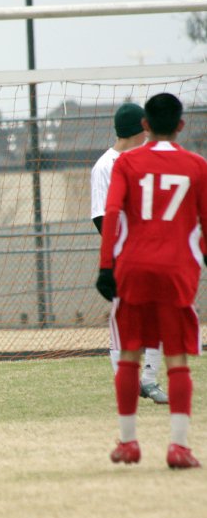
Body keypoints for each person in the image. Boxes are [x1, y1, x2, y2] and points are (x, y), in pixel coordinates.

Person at [96, 93, 207, 469]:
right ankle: (178, 447)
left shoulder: (126, 163)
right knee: (177, 358)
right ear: (180, 125)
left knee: (129, 353)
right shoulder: (197, 166)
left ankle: (128, 443)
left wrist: (106, 266)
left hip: (133, 269)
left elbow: (112, 213)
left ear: (145, 125)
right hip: (177, 272)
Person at [90, 103, 168, 404]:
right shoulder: (105, 166)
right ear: (138, 131)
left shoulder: (148, 160)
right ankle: (128, 382)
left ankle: (149, 380)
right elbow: (102, 217)